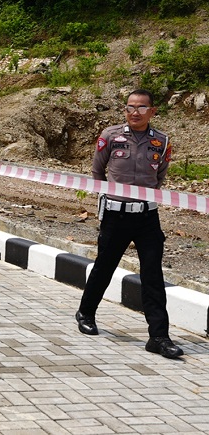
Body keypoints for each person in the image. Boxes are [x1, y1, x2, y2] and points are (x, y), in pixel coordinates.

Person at [75, 89, 182, 358]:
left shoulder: (162, 141)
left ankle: (158, 336)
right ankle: (86, 312)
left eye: (141, 107)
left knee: (153, 275)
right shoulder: (110, 136)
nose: (135, 112)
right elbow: (98, 171)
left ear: (152, 111)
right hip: (116, 215)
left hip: (147, 217)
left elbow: (160, 177)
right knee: (104, 267)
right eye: (130, 107)